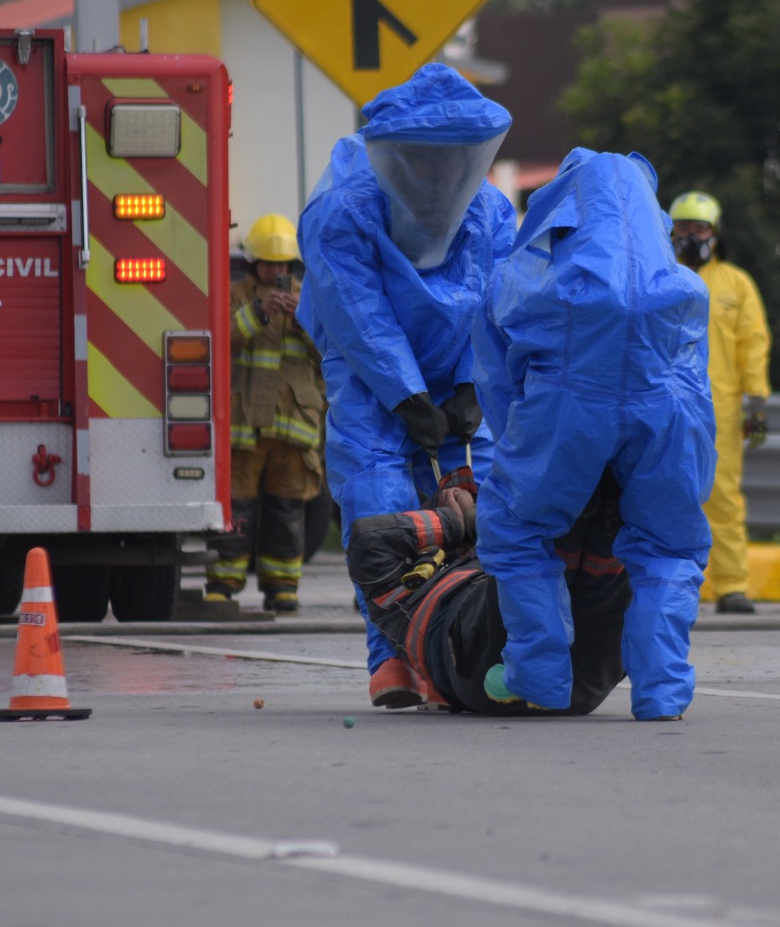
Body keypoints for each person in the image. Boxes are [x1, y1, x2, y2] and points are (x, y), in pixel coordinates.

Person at [297, 64, 516, 706]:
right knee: (379, 498)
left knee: (481, 499)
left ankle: (464, 645)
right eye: (425, 157)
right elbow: (357, 313)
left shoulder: (490, 212)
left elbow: (500, 299)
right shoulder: (344, 211)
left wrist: (472, 383)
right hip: (369, 375)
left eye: (453, 159)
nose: (440, 172)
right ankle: (391, 657)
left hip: (459, 369)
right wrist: (406, 395)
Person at [472, 148, 716, 721]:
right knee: (669, 545)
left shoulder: (529, 280)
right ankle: (662, 692)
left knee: (515, 525)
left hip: (568, 407)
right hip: (668, 414)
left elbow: (497, 383)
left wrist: (528, 453)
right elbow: (697, 384)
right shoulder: (685, 288)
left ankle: (537, 674)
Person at [347, 475, 631, 716]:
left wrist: (475, 522)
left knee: (603, 523)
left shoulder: (406, 598)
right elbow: (367, 541)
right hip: (488, 662)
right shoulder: (409, 589)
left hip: (578, 689)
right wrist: (458, 521)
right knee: (547, 536)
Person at [205, 213, 327, 613]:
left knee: (286, 511)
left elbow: (331, 352)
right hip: (243, 430)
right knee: (235, 510)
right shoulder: (234, 296)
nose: (277, 273)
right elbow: (218, 342)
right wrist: (257, 313)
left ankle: (282, 587)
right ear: (252, 263)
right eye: (269, 264)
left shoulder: (311, 299)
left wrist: (303, 318)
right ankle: (223, 583)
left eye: (283, 265)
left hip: (292, 431)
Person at [668, 190, 771, 614]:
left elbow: (753, 343)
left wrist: (757, 402)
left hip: (720, 406)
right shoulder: (659, 272)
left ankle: (731, 586)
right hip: (665, 401)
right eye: (683, 228)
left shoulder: (736, 283)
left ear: (715, 233)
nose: (691, 237)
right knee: (664, 492)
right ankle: (670, 584)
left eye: (700, 228)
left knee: (723, 496)